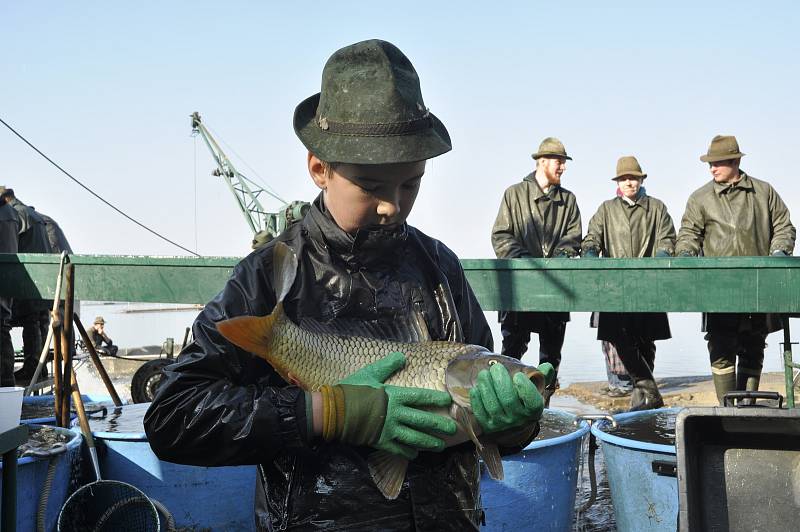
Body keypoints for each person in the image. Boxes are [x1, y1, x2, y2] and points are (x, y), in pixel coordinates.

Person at [144, 40, 549, 531]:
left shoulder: (439, 266)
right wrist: (323, 412)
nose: (392, 206)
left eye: (410, 183)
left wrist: (514, 424)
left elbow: (478, 396)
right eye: (371, 186)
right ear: (319, 168)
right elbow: (172, 416)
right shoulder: (270, 276)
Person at [676, 135, 796, 405]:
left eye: (717, 163)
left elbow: (784, 227)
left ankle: (748, 405)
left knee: (754, 345)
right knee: (720, 347)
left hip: (758, 285)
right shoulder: (700, 198)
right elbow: (688, 234)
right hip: (719, 287)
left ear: (735, 161)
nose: (712, 169)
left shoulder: (763, 192)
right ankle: (727, 407)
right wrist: (684, 253)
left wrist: (778, 253)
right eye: (709, 164)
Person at [491, 136, 582, 404]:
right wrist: (527, 265)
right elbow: (501, 236)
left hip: (554, 292)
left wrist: (556, 260)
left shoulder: (569, 200)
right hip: (518, 291)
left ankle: (546, 408)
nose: (562, 167)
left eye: (564, 162)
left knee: (551, 357)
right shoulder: (514, 194)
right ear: (541, 162)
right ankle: (507, 407)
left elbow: (573, 238)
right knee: (511, 353)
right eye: (558, 161)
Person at [582, 156, 676, 410]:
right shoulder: (606, 209)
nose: (629, 183)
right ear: (618, 182)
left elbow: (668, 238)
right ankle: (646, 387)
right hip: (615, 289)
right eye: (624, 179)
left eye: (633, 178)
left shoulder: (657, 208)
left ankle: (642, 399)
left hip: (649, 287)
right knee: (617, 336)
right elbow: (592, 238)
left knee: (647, 342)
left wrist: (663, 255)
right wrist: (589, 252)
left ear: (641, 180)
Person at [0, 187, 53, 382]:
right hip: (42, 274)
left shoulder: (15, 213)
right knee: (40, 320)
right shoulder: (33, 214)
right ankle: (39, 368)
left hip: (27, 274)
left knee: (29, 321)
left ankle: (31, 369)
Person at [0, 194, 20, 386]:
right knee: (4, 325)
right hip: (9, 274)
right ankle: (7, 379)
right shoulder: (13, 214)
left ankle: (6, 379)